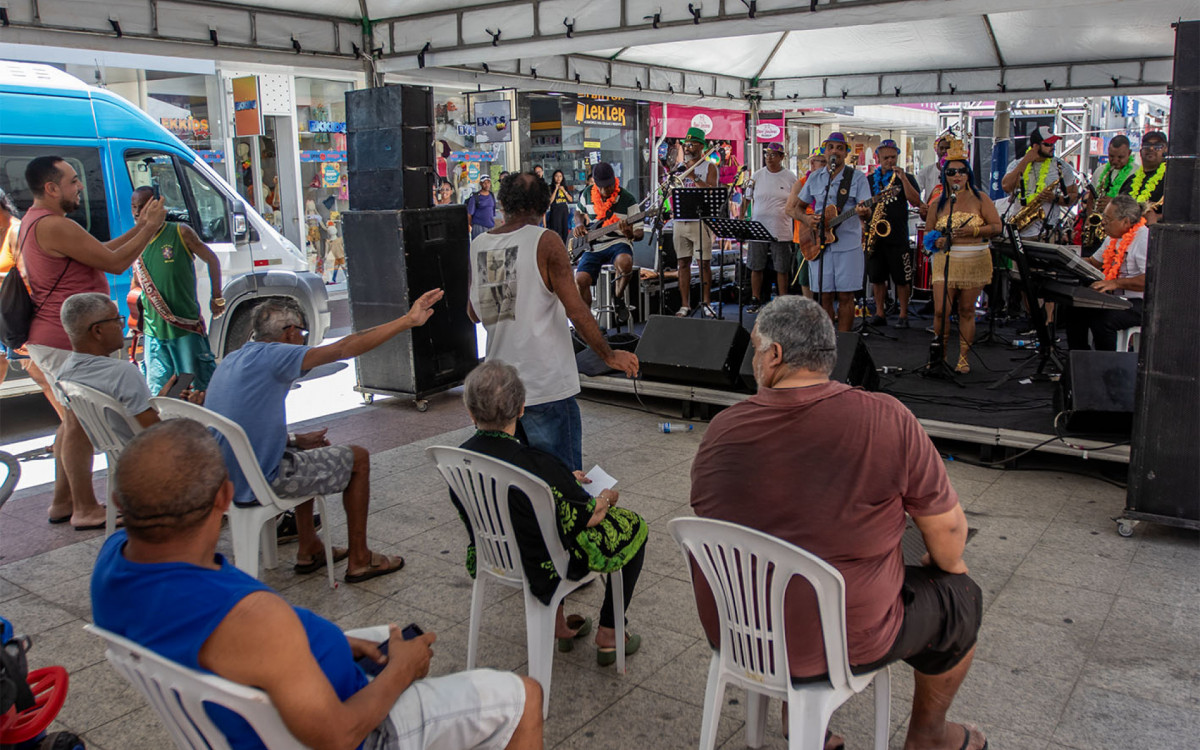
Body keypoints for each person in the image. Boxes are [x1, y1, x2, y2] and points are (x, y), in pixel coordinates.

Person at [92, 418, 544, 750]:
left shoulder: (113, 563)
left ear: (119, 501)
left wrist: (334, 641)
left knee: (383, 636)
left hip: (263, 701)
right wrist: (401, 670)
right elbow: (340, 735)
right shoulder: (251, 617)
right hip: (357, 729)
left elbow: (235, 648)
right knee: (524, 695)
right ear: (224, 497)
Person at [691, 296, 987, 750]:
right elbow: (948, 540)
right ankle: (927, 737)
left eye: (755, 349)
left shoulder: (722, 428)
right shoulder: (887, 418)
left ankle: (801, 720)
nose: (752, 359)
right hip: (842, 642)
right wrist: (939, 561)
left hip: (740, 634)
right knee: (961, 595)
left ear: (774, 357)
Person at [205, 290, 443, 583]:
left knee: (305, 453)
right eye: (302, 334)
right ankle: (360, 558)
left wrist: (293, 440)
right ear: (291, 333)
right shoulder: (278, 354)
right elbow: (345, 348)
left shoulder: (234, 358)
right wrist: (407, 321)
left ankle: (309, 547)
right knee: (358, 458)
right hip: (259, 481)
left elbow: (245, 424)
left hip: (227, 478)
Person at [450, 360, 647, 665]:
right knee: (633, 526)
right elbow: (589, 514)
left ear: (471, 412)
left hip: (496, 555)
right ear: (521, 409)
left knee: (544, 522)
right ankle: (610, 631)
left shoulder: (458, 460)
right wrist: (608, 498)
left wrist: (565, 480)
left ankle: (557, 624)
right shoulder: (539, 463)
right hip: (545, 562)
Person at [20, 155, 166, 529]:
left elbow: (103, 250)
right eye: (72, 181)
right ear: (51, 188)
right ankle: (83, 507)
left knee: (72, 421)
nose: (80, 186)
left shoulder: (41, 222)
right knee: (78, 422)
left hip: (57, 336)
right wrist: (149, 230)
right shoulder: (52, 224)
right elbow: (115, 264)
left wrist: (140, 227)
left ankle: (63, 501)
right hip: (65, 337)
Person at [467, 172, 638, 473]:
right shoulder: (545, 240)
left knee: (516, 482)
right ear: (544, 207)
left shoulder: (481, 243)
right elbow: (577, 310)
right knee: (561, 482)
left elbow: (475, 314)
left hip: (498, 387)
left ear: (503, 204)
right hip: (545, 385)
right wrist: (609, 355)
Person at [128, 187, 224, 395]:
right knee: (160, 392)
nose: (136, 213)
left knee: (196, 387)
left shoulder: (180, 232)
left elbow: (212, 260)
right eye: (133, 207)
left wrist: (216, 296)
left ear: (156, 205)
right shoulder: (136, 239)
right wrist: (135, 317)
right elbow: (136, 283)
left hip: (185, 327)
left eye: (141, 207)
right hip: (154, 332)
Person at [924, 140, 1003, 374]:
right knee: (941, 311)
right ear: (944, 176)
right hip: (945, 261)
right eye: (951, 172)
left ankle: (963, 358)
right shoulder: (937, 204)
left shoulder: (981, 200)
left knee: (967, 310)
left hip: (973, 260)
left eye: (961, 171)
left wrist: (974, 231)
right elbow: (928, 232)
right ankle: (939, 355)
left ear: (968, 174)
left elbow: (997, 226)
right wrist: (936, 240)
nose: (956, 176)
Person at [790, 132, 872, 332]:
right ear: (825, 152)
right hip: (819, 243)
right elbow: (796, 208)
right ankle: (827, 340)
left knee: (846, 295)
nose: (835, 151)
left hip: (848, 244)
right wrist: (807, 219)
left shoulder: (857, 178)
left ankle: (844, 341)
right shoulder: (815, 178)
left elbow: (867, 211)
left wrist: (864, 212)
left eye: (840, 148)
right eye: (831, 147)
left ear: (845, 153)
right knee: (824, 295)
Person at [1065, 195, 1147, 351]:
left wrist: (1115, 283)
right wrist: (1067, 260)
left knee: (1103, 320)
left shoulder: (1143, 239)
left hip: (1139, 303)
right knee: (1076, 308)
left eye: (1108, 220)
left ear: (1125, 222)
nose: (1103, 223)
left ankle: (1107, 367)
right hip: (1116, 297)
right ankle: (1080, 360)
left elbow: (1150, 280)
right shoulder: (1113, 237)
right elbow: (1094, 263)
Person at [858, 139, 924, 328]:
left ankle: (903, 314)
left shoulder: (906, 178)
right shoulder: (870, 180)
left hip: (897, 235)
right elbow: (861, 204)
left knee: (902, 278)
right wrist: (862, 222)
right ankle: (880, 312)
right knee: (877, 277)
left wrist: (903, 179)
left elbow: (916, 201)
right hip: (875, 235)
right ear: (878, 158)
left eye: (893, 157)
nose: (890, 161)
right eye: (886, 157)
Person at [572, 162, 642, 310]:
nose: (604, 190)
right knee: (580, 279)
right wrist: (579, 224)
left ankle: (618, 295)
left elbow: (639, 233)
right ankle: (588, 321)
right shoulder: (587, 193)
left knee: (625, 262)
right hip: (593, 244)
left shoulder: (627, 199)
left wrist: (630, 233)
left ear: (614, 180)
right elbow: (578, 212)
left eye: (608, 186)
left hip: (618, 241)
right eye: (601, 187)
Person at [745, 143, 798, 313]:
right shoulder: (757, 175)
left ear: (782, 157)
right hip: (758, 228)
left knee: (781, 267)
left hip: (781, 229)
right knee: (756, 265)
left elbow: (797, 202)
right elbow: (746, 199)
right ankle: (755, 298)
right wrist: (742, 220)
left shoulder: (790, 177)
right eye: (767, 154)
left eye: (774, 154)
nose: (769, 157)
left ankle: (782, 301)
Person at [1000, 126, 1079, 239]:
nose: (1052, 147)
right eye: (1047, 144)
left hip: (1047, 232)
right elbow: (1006, 186)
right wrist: (1027, 160)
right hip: (1020, 230)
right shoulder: (1017, 164)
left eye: (1053, 144)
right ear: (1035, 146)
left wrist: (1055, 198)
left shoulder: (1061, 167)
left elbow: (1073, 197)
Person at [672, 127, 718, 318]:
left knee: (703, 263)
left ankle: (706, 303)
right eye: (686, 144)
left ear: (701, 146)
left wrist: (692, 177)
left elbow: (711, 191)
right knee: (682, 263)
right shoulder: (679, 167)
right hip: (680, 220)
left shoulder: (709, 167)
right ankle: (685, 305)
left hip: (701, 222)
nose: (688, 147)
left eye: (691, 144)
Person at [1080, 136, 1137, 252]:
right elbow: (1091, 197)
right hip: (1099, 227)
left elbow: (1135, 204)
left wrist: (1113, 202)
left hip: (1120, 230)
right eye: (1111, 156)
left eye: (1120, 157)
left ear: (1129, 153)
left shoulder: (1136, 173)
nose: (1115, 161)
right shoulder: (1100, 171)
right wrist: (1090, 217)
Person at [784, 149, 828, 300]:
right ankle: (809, 307)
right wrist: (806, 218)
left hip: (827, 236)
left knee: (827, 275)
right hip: (804, 237)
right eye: (820, 161)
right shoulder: (801, 183)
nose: (823, 165)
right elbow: (789, 209)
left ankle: (828, 309)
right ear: (812, 163)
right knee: (805, 278)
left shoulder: (833, 183)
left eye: (825, 161)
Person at [1131, 131, 1167, 226]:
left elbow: (1181, 215)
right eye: (1147, 145)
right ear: (1140, 151)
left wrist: (1156, 217)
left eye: (1158, 146)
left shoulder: (1171, 180)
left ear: (1166, 151)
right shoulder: (1130, 180)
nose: (1151, 149)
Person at [918, 135, 952, 203]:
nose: (944, 151)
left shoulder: (960, 172)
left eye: (947, 148)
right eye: (941, 148)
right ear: (936, 150)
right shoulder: (925, 172)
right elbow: (915, 192)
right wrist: (922, 206)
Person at [546, 170, 573, 243]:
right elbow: (550, 201)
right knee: (556, 230)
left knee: (564, 230)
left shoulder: (564, 187)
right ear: (553, 177)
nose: (558, 178)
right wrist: (555, 189)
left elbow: (570, 199)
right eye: (556, 176)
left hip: (564, 211)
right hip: (555, 211)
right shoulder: (550, 187)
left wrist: (564, 191)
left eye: (560, 176)